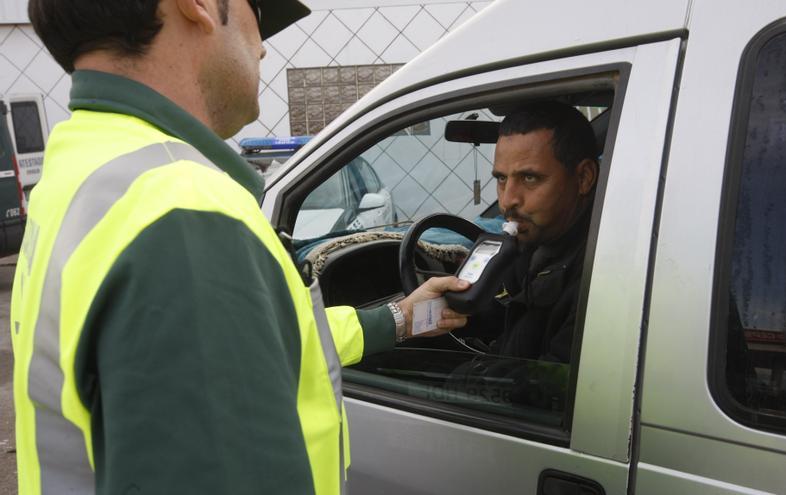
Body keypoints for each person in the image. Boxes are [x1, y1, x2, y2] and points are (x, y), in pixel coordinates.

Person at [10, 1, 468, 494]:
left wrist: (398, 318)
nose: (264, 46)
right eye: (257, 14)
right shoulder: (184, 214)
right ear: (201, 7)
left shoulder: (82, 169)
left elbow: (280, 340)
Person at [483, 101, 599, 363]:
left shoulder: (600, 279)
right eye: (502, 179)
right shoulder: (534, 244)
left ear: (584, 178)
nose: (507, 200)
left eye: (530, 178)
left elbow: (542, 392)